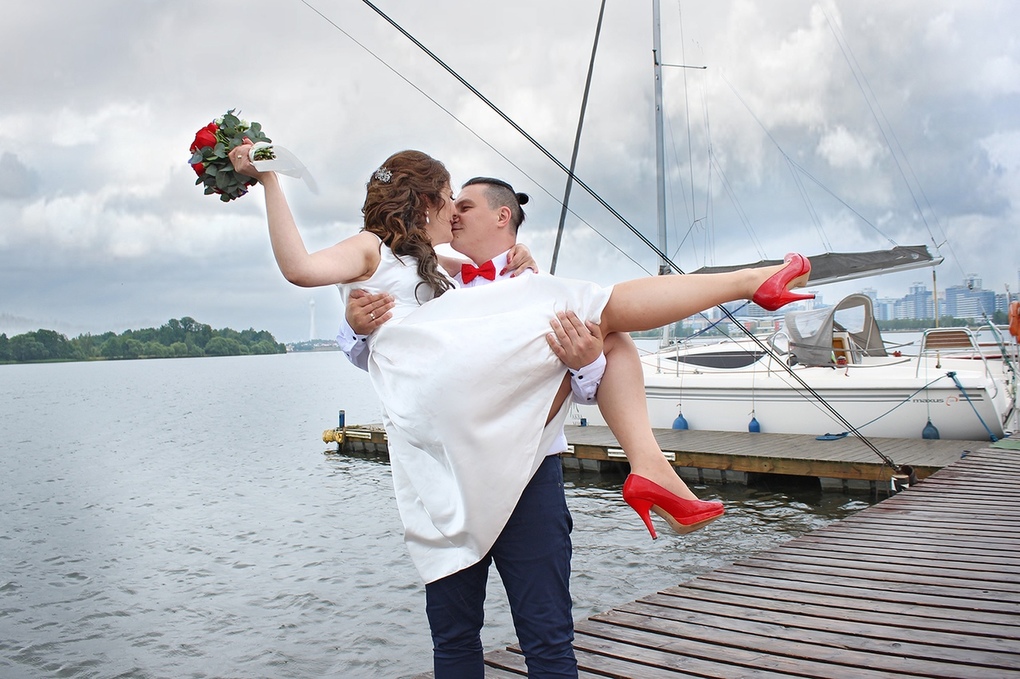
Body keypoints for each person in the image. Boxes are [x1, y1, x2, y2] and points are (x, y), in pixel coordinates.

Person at [230, 146, 812, 677]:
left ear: (502, 218)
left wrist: (527, 280)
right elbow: (304, 272)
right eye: (449, 200)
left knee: (606, 339)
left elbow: (461, 299)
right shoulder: (374, 249)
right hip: (450, 441)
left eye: (465, 205)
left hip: (502, 451)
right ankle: (747, 284)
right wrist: (271, 182)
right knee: (597, 309)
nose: (454, 213)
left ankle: (651, 463)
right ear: (425, 201)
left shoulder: (445, 269)